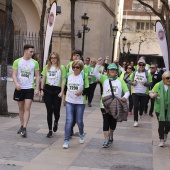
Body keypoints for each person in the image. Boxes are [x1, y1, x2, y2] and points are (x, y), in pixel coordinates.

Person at [94, 58, 129, 148]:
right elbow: (95, 73)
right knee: (106, 121)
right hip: (104, 105)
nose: (112, 71)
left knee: (113, 123)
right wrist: (98, 64)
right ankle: (106, 140)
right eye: (111, 70)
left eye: (114, 70)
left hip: (116, 105)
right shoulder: (104, 79)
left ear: (116, 71)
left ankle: (111, 133)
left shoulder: (120, 81)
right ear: (108, 71)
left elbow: (127, 91)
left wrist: (125, 97)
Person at [12, 44, 40, 137]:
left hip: (29, 88)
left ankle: (24, 128)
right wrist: (16, 84)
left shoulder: (35, 63)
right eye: (30, 51)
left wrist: (37, 88)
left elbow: (37, 76)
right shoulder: (17, 61)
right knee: (20, 108)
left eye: (33, 51)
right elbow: (14, 74)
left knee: (27, 108)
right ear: (25, 51)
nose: (32, 53)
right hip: (20, 88)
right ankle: (21, 125)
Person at [63, 60, 89, 149]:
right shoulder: (69, 76)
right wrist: (64, 99)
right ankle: (66, 140)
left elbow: (87, 89)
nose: (75, 69)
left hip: (80, 102)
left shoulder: (83, 76)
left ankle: (81, 133)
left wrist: (81, 92)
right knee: (69, 120)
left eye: (77, 67)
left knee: (79, 121)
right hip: (69, 100)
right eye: (73, 67)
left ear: (81, 68)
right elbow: (65, 88)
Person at [40, 52, 66, 138]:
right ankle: (50, 130)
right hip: (48, 90)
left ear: (57, 58)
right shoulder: (46, 67)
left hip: (57, 90)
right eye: (51, 58)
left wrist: (62, 91)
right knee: (49, 110)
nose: (53, 59)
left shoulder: (61, 68)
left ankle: (56, 122)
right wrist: (42, 89)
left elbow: (63, 80)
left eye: (55, 58)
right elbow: (43, 78)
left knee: (56, 110)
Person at [129, 59, 152, 127]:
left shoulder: (147, 73)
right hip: (135, 92)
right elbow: (129, 81)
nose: (141, 66)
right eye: (140, 65)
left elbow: (151, 83)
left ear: (145, 65)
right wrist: (133, 83)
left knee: (142, 107)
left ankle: (141, 113)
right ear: (138, 65)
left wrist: (145, 84)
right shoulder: (134, 73)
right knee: (135, 106)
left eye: (143, 65)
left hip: (144, 93)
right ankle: (135, 120)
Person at [150, 71, 170, 147]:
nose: (169, 80)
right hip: (159, 108)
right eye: (167, 78)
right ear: (164, 78)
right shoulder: (158, 85)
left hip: (169, 109)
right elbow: (150, 92)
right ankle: (161, 139)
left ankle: (166, 133)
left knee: (168, 124)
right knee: (161, 124)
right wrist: (153, 95)